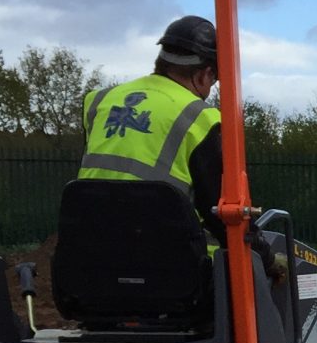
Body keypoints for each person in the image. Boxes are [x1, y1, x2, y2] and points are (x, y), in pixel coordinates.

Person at [78, 15, 225, 238]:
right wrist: (265, 255)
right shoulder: (201, 118)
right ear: (205, 75)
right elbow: (218, 212)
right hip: (161, 258)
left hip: (87, 247)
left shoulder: (100, 101)